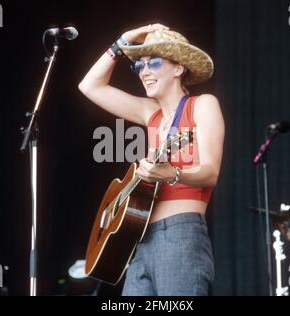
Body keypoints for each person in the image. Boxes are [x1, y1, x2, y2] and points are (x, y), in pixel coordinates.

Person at [78, 23, 224, 296]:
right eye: (139, 66)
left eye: (153, 63)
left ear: (179, 68)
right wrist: (123, 40)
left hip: (181, 233)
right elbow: (89, 86)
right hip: (140, 239)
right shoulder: (150, 113)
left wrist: (172, 174)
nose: (144, 72)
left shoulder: (202, 105)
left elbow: (210, 172)